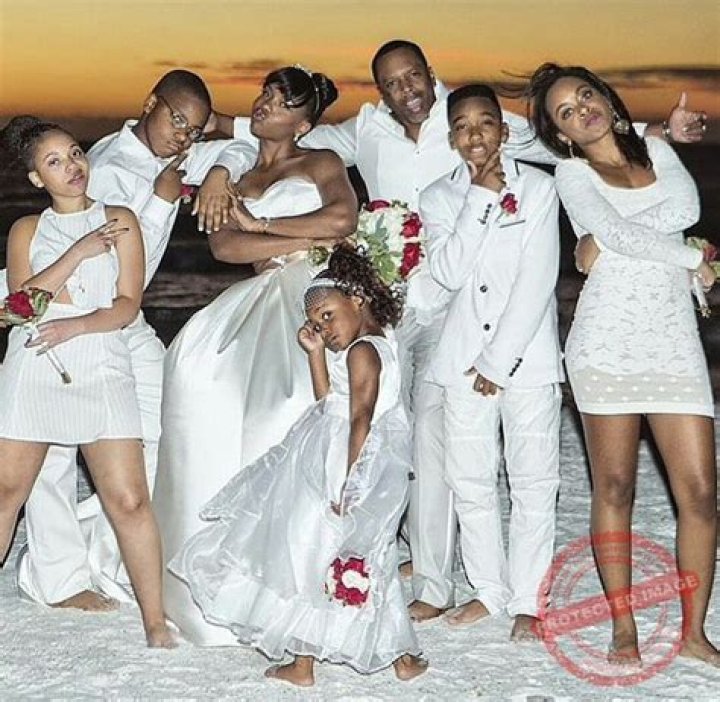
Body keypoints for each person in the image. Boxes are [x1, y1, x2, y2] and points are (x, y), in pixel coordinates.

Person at [216, 40, 711, 623]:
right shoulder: (390, 151)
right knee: (435, 457)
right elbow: (296, 137)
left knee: (504, 466)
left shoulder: (522, 165)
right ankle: (458, 578)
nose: (406, 90)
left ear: (434, 77)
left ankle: (502, 594)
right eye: (392, 83)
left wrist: (658, 131)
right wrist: (224, 151)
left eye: (413, 76)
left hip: (497, 339)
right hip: (422, 323)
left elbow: (561, 163)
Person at [13, 70, 257, 611]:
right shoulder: (103, 167)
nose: (183, 135)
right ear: (151, 104)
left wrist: (218, 171)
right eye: (177, 120)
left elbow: (245, 147)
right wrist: (163, 201)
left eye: (194, 129)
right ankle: (56, 577)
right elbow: (105, 267)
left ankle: (109, 548)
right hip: (79, 318)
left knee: (175, 426)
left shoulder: (177, 154)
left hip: (126, 322)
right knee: (56, 451)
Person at [152, 66, 358, 645]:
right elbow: (225, 245)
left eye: (283, 101)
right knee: (197, 376)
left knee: (290, 407)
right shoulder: (237, 170)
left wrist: (265, 225)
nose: (266, 103)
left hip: (310, 292)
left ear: (304, 124)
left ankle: (295, 582)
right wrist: (302, 238)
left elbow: (343, 219)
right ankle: (208, 575)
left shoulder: (320, 162)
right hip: (258, 291)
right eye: (266, 93)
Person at [526, 63, 718, 666]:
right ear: (560, 134)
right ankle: (623, 625)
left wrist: (608, 239)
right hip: (605, 345)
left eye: (586, 95)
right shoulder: (572, 173)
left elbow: (685, 207)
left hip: (674, 343)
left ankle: (693, 634)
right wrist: (686, 258)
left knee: (701, 494)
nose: (581, 110)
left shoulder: (658, 150)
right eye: (565, 112)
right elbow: (629, 232)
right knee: (614, 487)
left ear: (607, 99)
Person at [170, 245, 427, 685]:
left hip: (342, 463)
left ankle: (308, 662)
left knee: (315, 553)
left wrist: (350, 481)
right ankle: (396, 657)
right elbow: (329, 400)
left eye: (328, 316)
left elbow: (360, 419)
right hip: (331, 453)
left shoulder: (364, 352)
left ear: (357, 299)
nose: (324, 329)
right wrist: (314, 353)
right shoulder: (368, 343)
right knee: (362, 557)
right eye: (316, 324)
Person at [0, 116, 174, 647]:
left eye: (75, 153)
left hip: (101, 360)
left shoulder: (119, 219)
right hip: (36, 367)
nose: (72, 166)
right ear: (37, 178)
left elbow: (127, 305)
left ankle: (155, 622)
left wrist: (76, 325)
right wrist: (77, 252)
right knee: (6, 492)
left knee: (129, 499)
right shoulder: (27, 230)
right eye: (54, 162)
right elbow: (20, 306)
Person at [420, 84, 564, 640]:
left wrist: (498, 363)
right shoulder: (438, 197)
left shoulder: (540, 189)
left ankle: (528, 597)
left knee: (533, 480)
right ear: (451, 138)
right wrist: (479, 199)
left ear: (504, 131)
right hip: (461, 360)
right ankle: (488, 589)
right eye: (462, 126)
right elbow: (448, 273)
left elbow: (537, 280)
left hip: (527, 360)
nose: (474, 135)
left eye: (485, 123)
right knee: (470, 480)